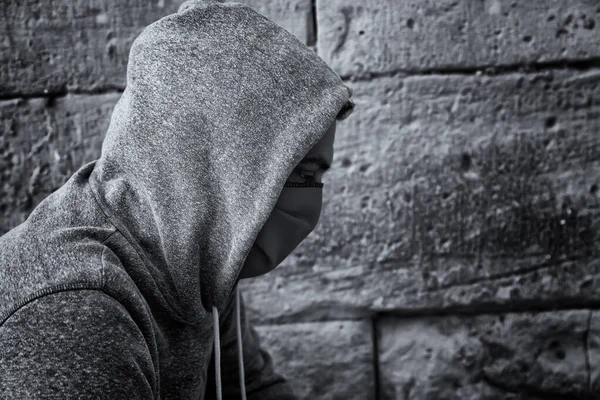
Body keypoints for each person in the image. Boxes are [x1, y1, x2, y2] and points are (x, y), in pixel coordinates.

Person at [0, 0, 355, 399]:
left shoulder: (197, 259)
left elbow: (254, 386)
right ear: (216, 164)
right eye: (302, 175)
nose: (312, 204)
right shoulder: (74, 316)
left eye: (317, 177)